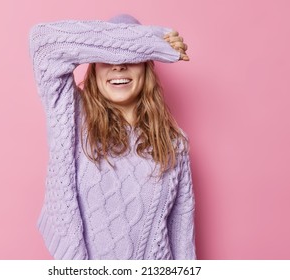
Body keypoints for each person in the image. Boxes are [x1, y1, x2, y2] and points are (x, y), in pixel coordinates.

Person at [28, 14, 195, 260]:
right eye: (107, 58)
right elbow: (43, 43)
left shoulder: (173, 142)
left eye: (132, 57)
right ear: (94, 68)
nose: (118, 65)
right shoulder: (72, 116)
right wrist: (148, 40)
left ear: (147, 66)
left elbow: (182, 241)